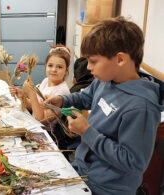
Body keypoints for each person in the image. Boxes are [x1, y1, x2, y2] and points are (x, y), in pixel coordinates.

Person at [43, 16, 164, 194]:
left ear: (120, 60)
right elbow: (85, 98)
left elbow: (132, 162)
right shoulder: (105, 80)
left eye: (93, 61)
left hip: (107, 188)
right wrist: (63, 100)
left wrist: (87, 132)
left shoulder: (141, 106)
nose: (89, 68)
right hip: (84, 171)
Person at [9, 44, 71, 131]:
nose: (53, 70)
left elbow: (41, 119)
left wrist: (32, 93)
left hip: (45, 133)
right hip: (33, 125)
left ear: (66, 70)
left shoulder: (62, 92)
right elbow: (35, 107)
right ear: (45, 66)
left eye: (59, 67)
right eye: (50, 65)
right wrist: (22, 97)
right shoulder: (46, 81)